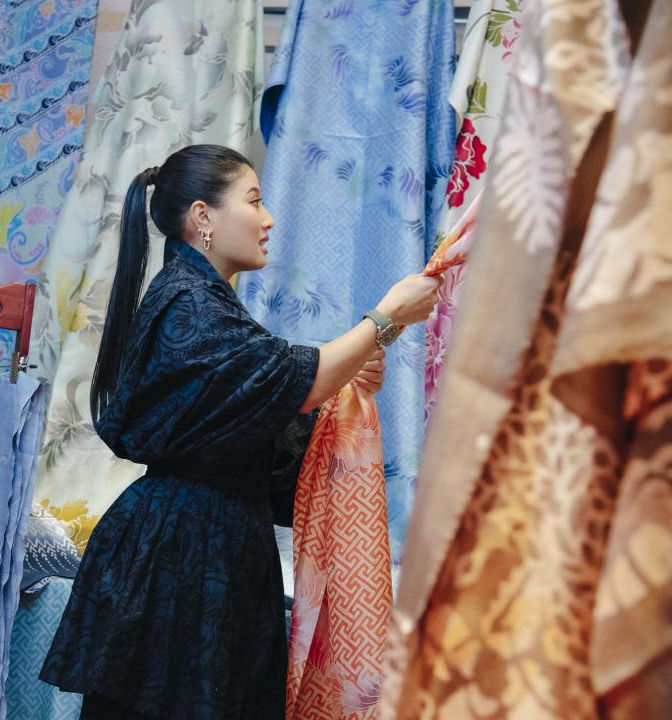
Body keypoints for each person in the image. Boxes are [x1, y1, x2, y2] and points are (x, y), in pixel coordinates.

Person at [40, 144, 441, 719]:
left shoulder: (204, 303)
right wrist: (386, 318)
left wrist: (346, 378)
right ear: (202, 217)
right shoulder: (188, 304)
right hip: (182, 551)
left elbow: (267, 401)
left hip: (210, 541)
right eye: (254, 201)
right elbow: (295, 378)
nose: (268, 218)